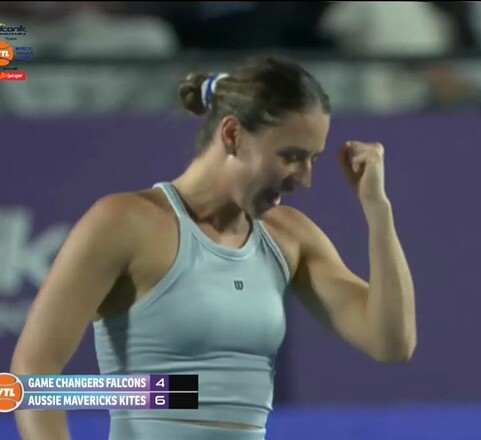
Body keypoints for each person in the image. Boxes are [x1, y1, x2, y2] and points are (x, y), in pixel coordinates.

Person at [10, 55, 417, 440]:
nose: (304, 179)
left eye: (312, 160)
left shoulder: (290, 237)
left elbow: (391, 342)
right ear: (232, 134)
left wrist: (378, 210)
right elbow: (32, 371)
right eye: (291, 156)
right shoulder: (124, 223)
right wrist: (145, 396)